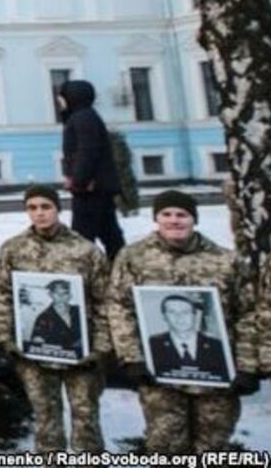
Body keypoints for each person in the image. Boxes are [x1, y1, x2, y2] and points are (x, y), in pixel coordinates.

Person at [109, 190, 260, 452]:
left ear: (194, 219)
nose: (174, 220)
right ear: (157, 218)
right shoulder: (133, 258)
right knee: (165, 445)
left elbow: (247, 313)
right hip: (159, 376)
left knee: (213, 447)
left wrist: (247, 366)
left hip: (216, 377)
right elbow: (119, 307)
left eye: (182, 215)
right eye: (166, 214)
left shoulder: (225, 260)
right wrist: (132, 357)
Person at [0, 184, 110, 453]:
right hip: (34, 354)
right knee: (46, 419)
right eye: (32, 208)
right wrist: (8, 338)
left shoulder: (85, 250)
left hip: (81, 354)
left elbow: (105, 301)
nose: (39, 213)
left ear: (58, 209)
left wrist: (101, 347)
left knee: (86, 419)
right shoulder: (13, 250)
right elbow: (1, 295)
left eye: (46, 207)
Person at [57, 80, 124, 259]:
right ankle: (120, 265)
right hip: (97, 187)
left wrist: (78, 180)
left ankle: (84, 270)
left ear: (72, 97)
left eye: (61, 97)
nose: (59, 102)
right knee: (110, 234)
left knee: (82, 237)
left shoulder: (82, 118)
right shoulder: (84, 116)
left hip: (90, 189)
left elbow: (87, 151)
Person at [147, 294, 230, 380]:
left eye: (185, 312)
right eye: (172, 312)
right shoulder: (153, 345)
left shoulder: (217, 346)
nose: (179, 317)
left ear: (195, 315)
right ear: (164, 317)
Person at [28, 280, 81, 354]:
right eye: (57, 293)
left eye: (65, 293)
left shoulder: (78, 311)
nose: (61, 296)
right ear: (50, 294)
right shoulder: (44, 318)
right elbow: (37, 344)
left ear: (70, 295)